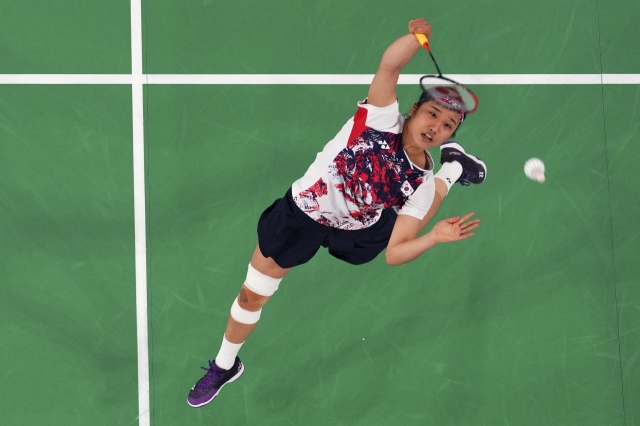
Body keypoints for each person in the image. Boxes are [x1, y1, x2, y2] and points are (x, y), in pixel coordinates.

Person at [187, 18, 487, 408]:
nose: (436, 126)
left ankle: (453, 168)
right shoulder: (379, 119)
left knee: (423, 205)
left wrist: (433, 238)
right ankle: (226, 365)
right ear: (414, 110)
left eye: (448, 125)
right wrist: (416, 39)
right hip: (304, 214)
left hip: (362, 228)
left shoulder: (419, 182)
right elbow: (390, 67)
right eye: (432, 114)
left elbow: (396, 253)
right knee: (250, 296)